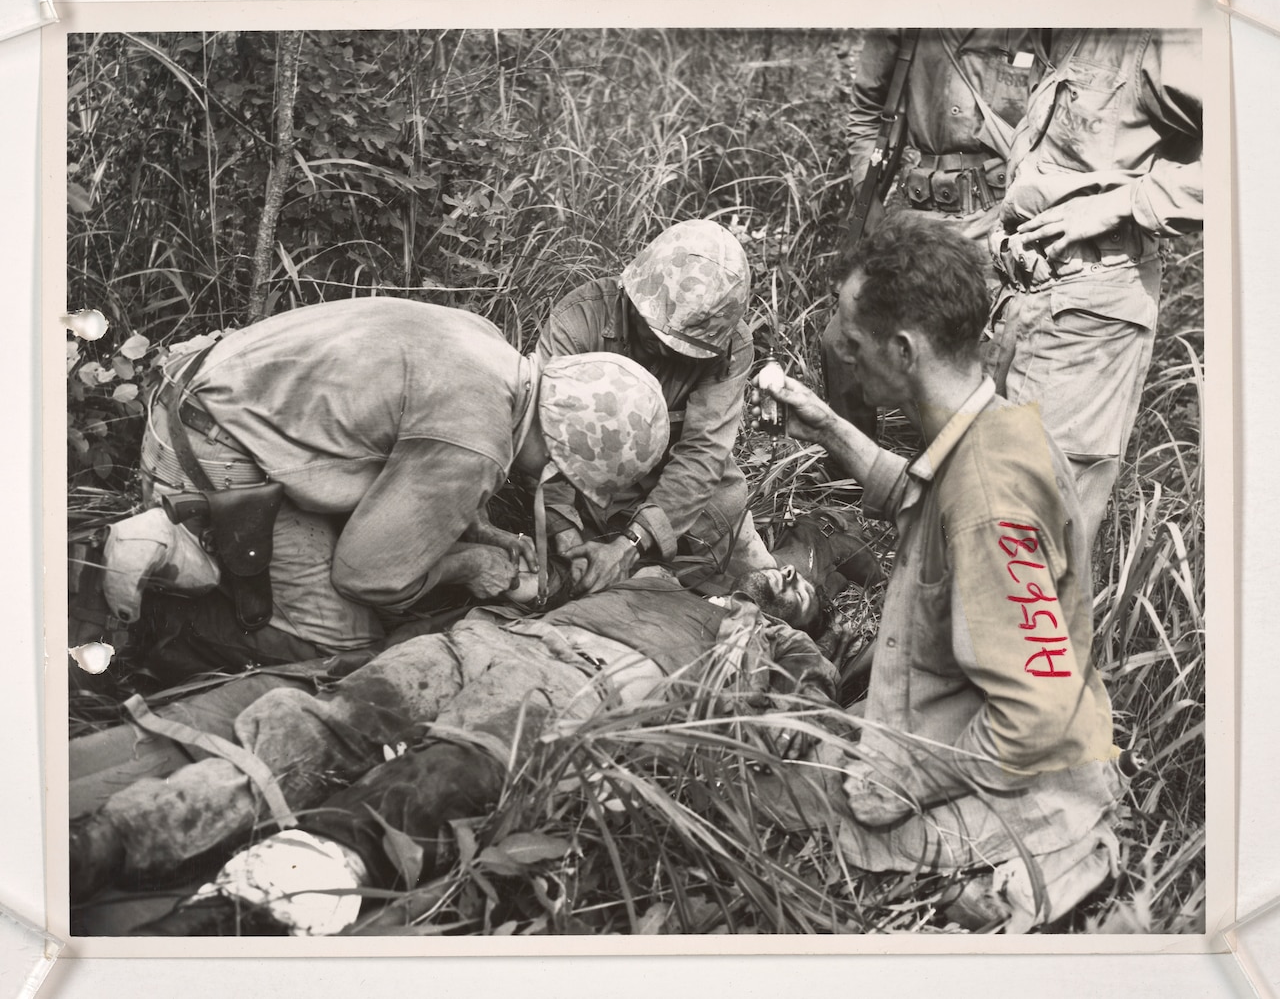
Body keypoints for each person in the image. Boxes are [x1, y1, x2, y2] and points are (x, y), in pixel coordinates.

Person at [69, 561, 840, 935]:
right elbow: (561, 576)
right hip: (483, 638)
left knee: (448, 774)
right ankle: (102, 843)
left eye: (801, 588)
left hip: (576, 691)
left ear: (808, 617)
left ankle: (242, 915)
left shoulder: (775, 645)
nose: (781, 581)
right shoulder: (662, 575)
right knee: (322, 725)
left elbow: (805, 713)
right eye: (782, 568)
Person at [758, 212, 1131, 932]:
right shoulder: (991, 428)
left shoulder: (989, 502)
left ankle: (992, 882)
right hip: (963, 731)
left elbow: (1034, 714)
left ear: (903, 350)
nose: (842, 350)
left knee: (747, 790)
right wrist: (830, 428)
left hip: (1024, 791)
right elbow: (930, 502)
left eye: (854, 339)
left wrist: (898, 781)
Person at [99, 298, 670, 683]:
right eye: (563, 472)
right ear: (564, 445)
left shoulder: (494, 352)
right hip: (209, 450)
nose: (553, 480)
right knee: (343, 650)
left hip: (221, 399)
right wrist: (466, 566)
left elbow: (401, 441)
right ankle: (154, 606)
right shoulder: (480, 443)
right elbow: (368, 576)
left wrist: (475, 525)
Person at [989, 28, 1203, 546]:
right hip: (1027, 297)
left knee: (1035, 534)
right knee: (997, 504)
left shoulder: (1158, 35)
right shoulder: (1069, 26)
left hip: (1089, 312)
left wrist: (1125, 203)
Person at [536, 219, 776, 596]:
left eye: (684, 347)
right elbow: (545, 432)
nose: (667, 352)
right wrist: (561, 528)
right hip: (588, 495)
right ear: (634, 294)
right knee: (581, 596)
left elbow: (703, 452)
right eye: (660, 334)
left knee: (768, 596)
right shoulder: (580, 321)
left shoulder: (731, 345)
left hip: (693, 504)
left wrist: (632, 543)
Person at [823, 28, 1037, 434]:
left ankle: (968, 463)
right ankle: (856, 471)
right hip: (920, 214)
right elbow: (868, 110)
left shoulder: (1032, 15)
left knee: (992, 349)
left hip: (1001, 213)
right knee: (841, 340)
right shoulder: (909, 15)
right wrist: (868, 201)